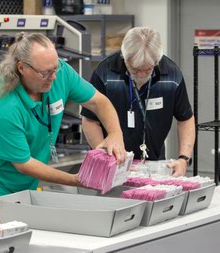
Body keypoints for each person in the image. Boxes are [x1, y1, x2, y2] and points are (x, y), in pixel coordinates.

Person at [0, 32, 126, 220]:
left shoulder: (59, 72)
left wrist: (115, 134)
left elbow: (98, 102)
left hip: (22, 179)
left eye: (55, 68)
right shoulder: (1, 102)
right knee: (2, 242)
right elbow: (24, 164)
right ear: (22, 68)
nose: (53, 77)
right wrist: (75, 180)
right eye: (45, 73)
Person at [81, 26, 195, 177]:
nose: (141, 74)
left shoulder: (172, 75)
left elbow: (185, 119)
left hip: (153, 163)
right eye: (134, 69)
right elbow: (90, 120)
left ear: (157, 60)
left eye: (148, 69)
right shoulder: (105, 72)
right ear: (125, 57)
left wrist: (184, 159)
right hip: (112, 162)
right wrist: (104, 157)